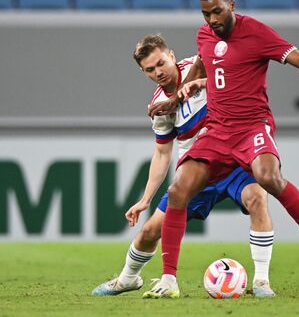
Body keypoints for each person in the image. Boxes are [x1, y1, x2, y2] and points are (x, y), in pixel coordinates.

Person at [143, 0, 299, 298]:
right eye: (206, 14)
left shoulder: (257, 33)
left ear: (231, 5)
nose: (212, 20)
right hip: (218, 131)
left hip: (252, 127)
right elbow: (200, 65)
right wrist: (179, 96)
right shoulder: (205, 35)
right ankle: (168, 280)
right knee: (178, 189)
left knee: (268, 178)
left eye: (217, 11)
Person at [92, 35, 278, 298]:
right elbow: (161, 153)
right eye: (150, 70)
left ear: (172, 55)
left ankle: (261, 281)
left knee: (257, 198)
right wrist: (145, 199)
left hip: (234, 158)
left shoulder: (201, 66)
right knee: (149, 231)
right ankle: (127, 279)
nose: (158, 72)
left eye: (160, 63)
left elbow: (235, 74)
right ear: (143, 73)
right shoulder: (159, 106)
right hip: (197, 172)